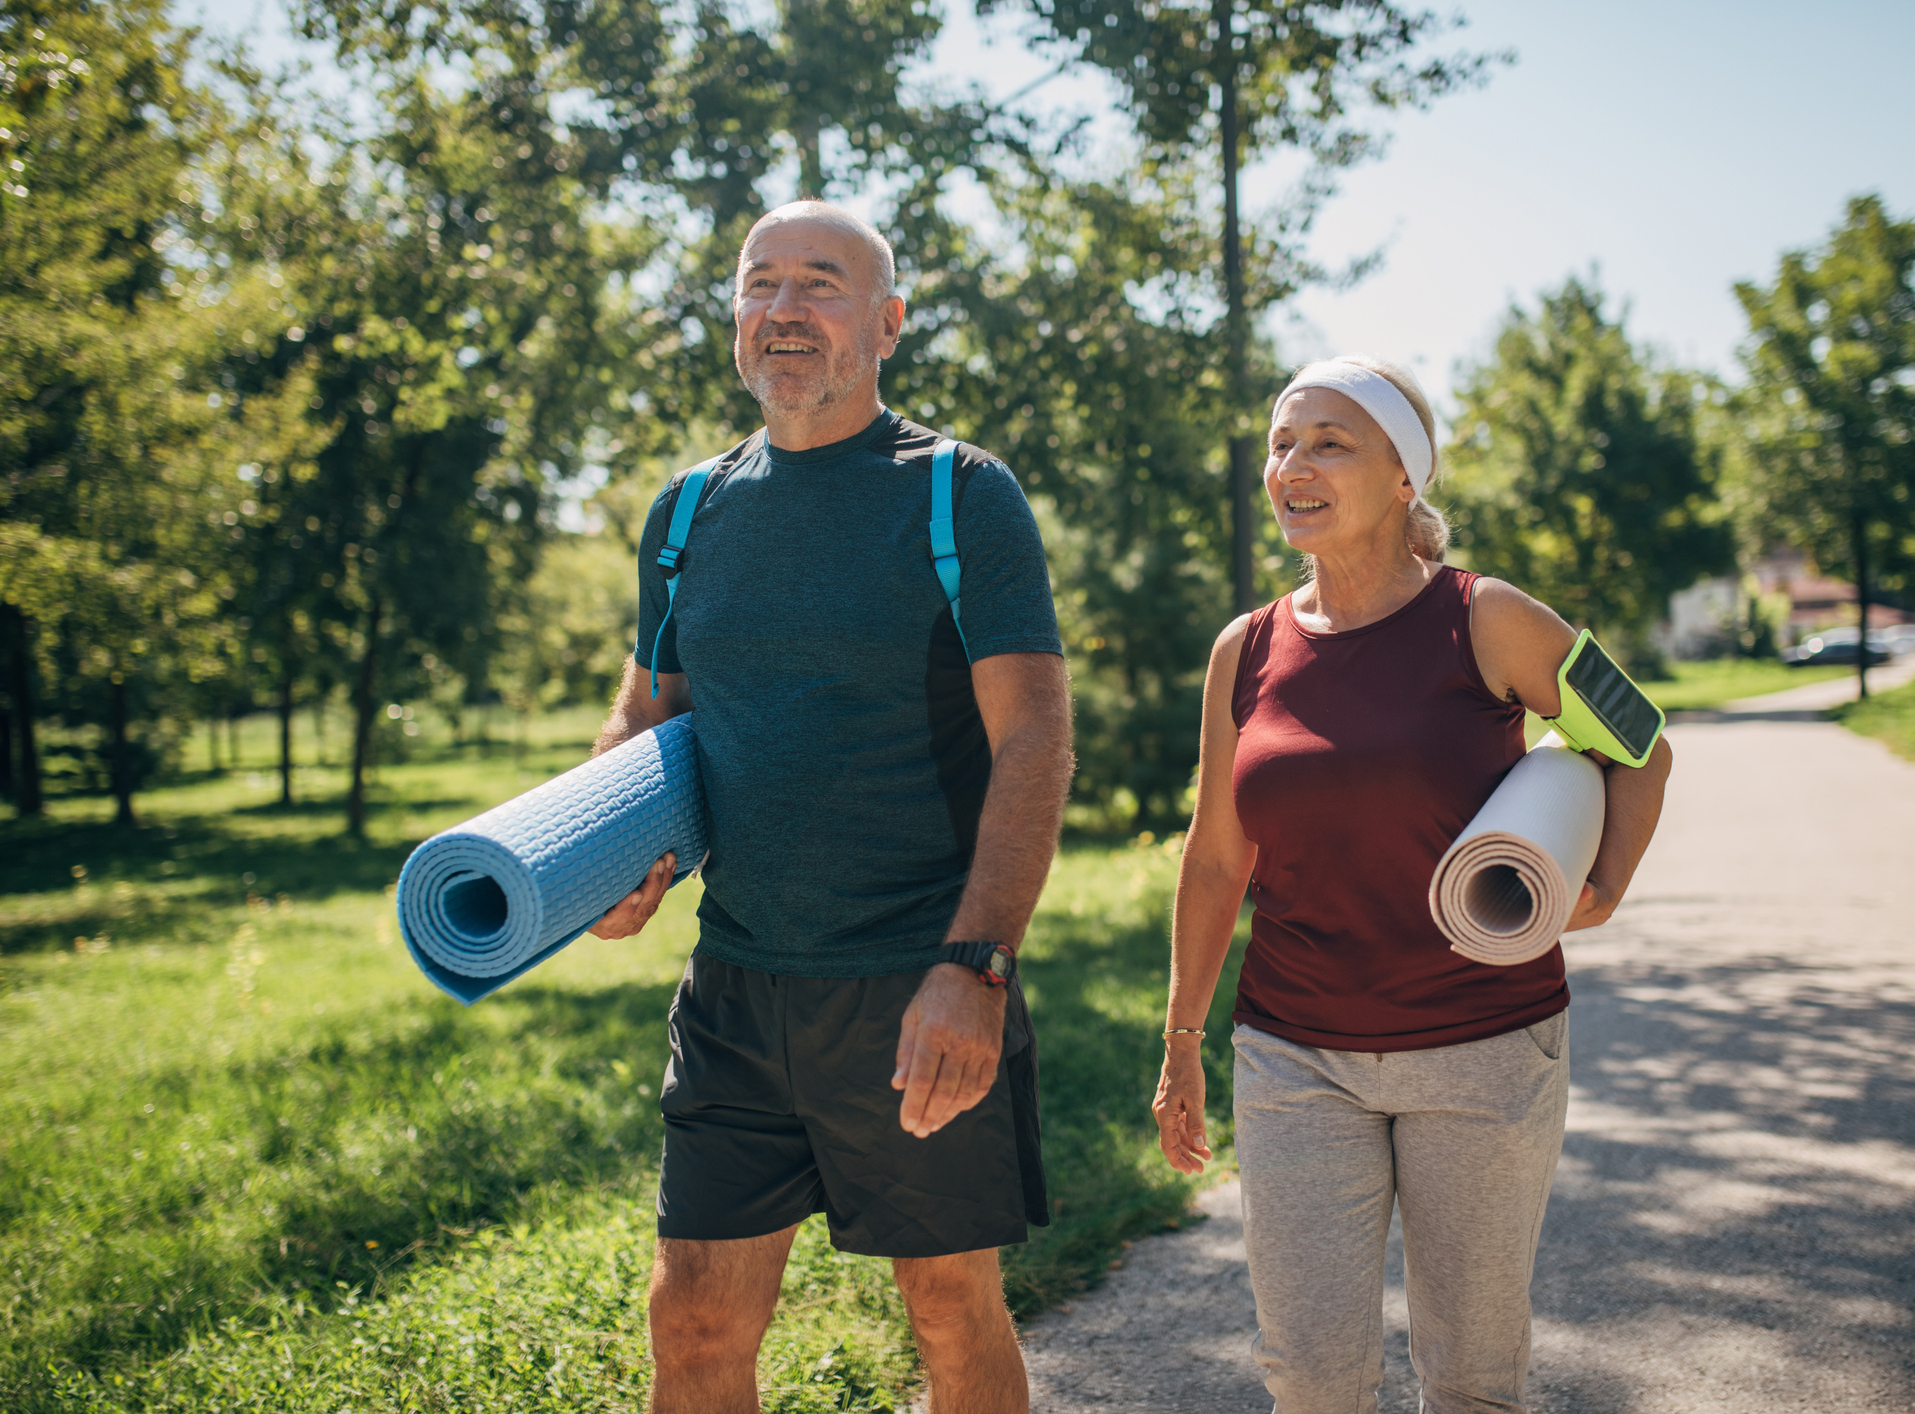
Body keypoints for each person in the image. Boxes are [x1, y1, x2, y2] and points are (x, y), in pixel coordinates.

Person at [586, 200, 1073, 1414]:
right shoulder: (688, 511)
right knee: (690, 1317)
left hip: (915, 980)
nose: (786, 309)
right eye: (762, 284)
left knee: (949, 1310)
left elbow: (1035, 744)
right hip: (738, 989)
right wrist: (604, 857)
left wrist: (976, 965)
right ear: (736, 318)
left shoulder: (960, 495)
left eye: (821, 283)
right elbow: (648, 711)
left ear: (888, 322)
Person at [1152, 354, 1672, 1414]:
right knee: (1308, 1373)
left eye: (1330, 443)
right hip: (1296, 1053)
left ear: (1406, 478)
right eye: (1281, 444)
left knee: (1473, 1378)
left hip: (1484, 1050)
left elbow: (1642, 744)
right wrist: (1181, 1041)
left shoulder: (1487, 619)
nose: (1294, 464)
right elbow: (1214, 857)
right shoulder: (1243, 649)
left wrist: (1605, 883)